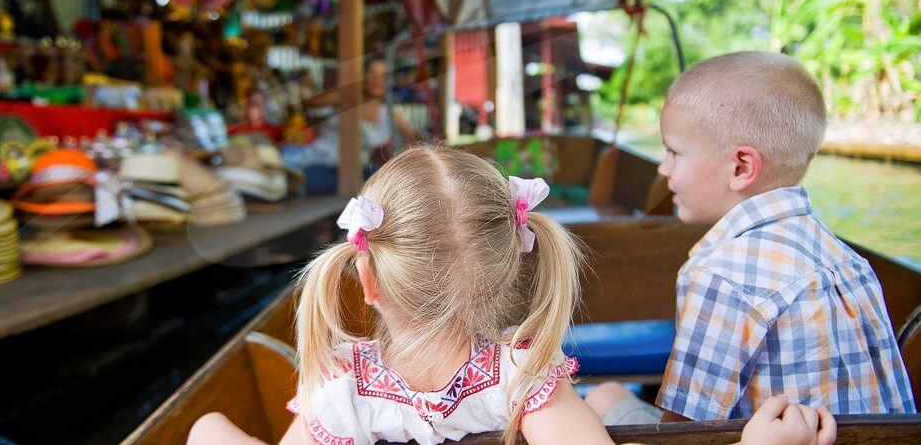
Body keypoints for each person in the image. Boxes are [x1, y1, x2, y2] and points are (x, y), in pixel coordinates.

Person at [188, 145, 836, 445]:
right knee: (615, 399)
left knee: (207, 427)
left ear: (368, 279)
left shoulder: (340, 385)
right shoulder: (524, 378)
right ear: (508, 271)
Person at [586, 51, 916, 425]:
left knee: (601, 395)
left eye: (674, 152)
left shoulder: (719, 274)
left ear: (741, 167)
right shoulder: (847, 260)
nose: (663, 168)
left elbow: (685, 431)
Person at [280, 56, 423, 194]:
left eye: (384, 76)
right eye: (373, 74)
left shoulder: (389, 113)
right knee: (318, 180)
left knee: (382, 180)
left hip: (354, 173)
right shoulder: (346, 96)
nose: (378, 80)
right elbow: (309, 103)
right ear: (363, 76)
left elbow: (413, 134)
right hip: (320, 165)